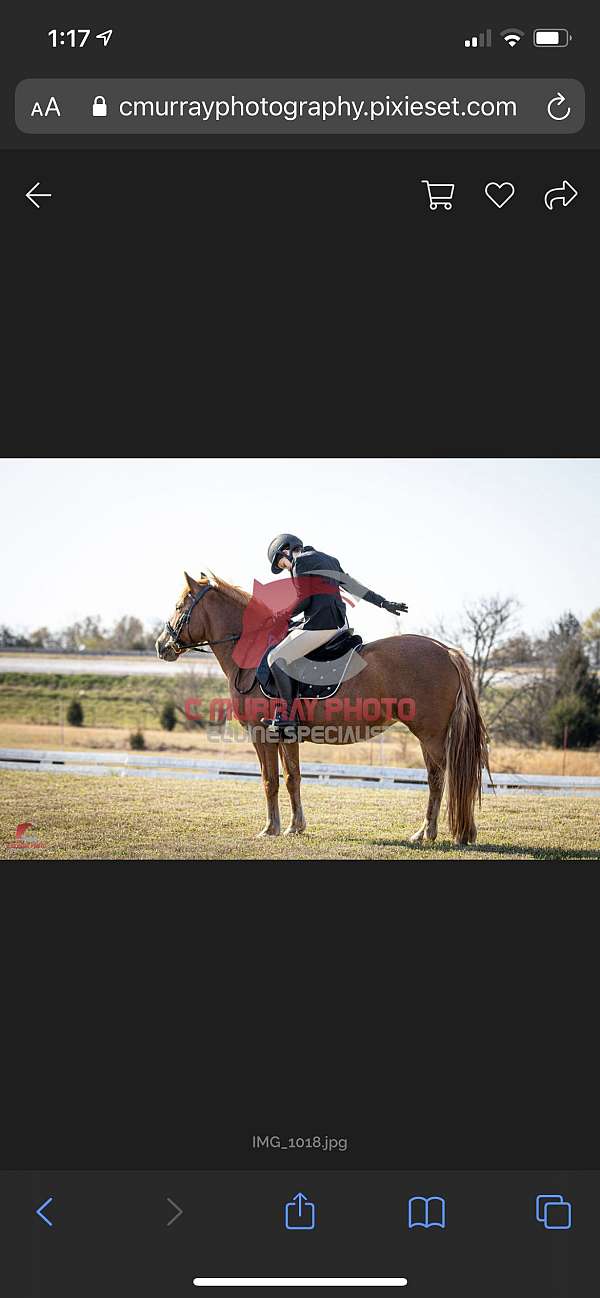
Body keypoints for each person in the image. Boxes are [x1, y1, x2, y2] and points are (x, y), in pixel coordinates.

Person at [265, 533, 408, 735]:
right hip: (339, 625)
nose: (285, 568)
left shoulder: (300, 562)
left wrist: (281, 616)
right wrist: (383, 602)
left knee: (275, 657)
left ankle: (287, 717)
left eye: (281, 564)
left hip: (321, 626)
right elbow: (353, 586)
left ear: (285, 550)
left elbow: (304, 600)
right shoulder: (329, 560)